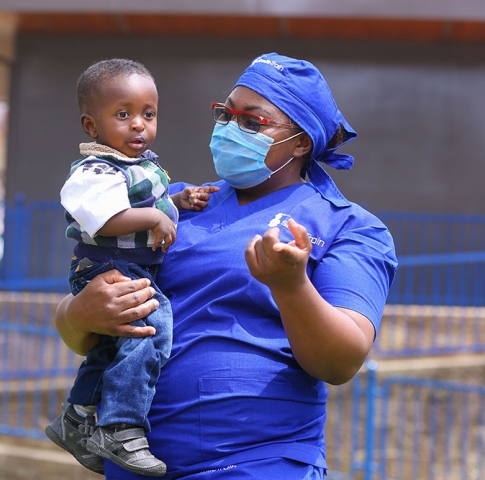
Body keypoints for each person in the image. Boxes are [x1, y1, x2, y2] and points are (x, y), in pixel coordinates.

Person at [53, 53, 398, 479]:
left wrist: (291, 287)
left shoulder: (349, 226)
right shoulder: (174, 203)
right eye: (226, 114)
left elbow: (340, 362)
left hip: (257, 462)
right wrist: (78, 313)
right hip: (137, 464)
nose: (232, 129)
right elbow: (80, 325)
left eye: (253, 122)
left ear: (301, 142)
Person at [44, 58, 218, 477]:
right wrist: (155, 219)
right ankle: (121, 427)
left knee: (111, 346)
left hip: (131, 267)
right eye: (123, 115)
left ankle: (76, 417)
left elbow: (148, 202)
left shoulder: (142, 167)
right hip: (107, 267)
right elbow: (105, 219)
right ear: (92, 126)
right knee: (151, 330)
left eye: (148, 114)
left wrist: (176, 202)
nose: (138, 124)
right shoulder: (93, 171)